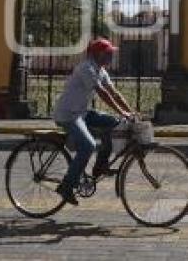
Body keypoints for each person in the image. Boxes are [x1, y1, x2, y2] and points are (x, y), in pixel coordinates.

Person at [53, 37, 135, 205]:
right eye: (108, 53)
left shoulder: (100, 70)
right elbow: (102, 93)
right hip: (68, 115)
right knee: (88, 146)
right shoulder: (86, 68)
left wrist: (130, 112)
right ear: (97, 54)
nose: (111, 56)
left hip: (82, 113)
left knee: (114, 122)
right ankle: (66, 186)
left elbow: (114, 92)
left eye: (111, 53)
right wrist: (122, 112)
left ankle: (100, 165)